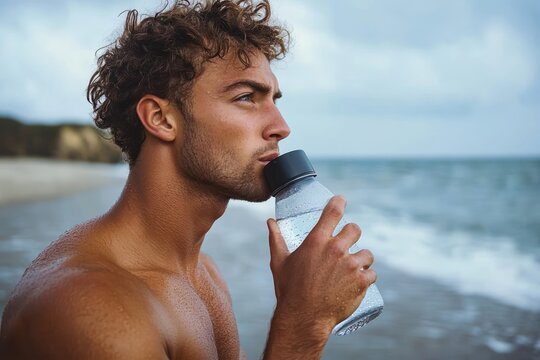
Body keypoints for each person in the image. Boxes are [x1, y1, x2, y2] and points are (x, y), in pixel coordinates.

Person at [0, 1, 377, 358]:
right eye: (247, 97)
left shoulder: (203, 274)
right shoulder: (92, 308)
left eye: (275, 100)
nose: (281, 127)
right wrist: (302, 325)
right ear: (162, 119)